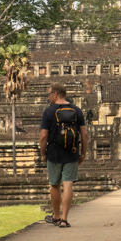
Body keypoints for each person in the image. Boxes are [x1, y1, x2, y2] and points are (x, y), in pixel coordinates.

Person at [39, 82, 86, 228]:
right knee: (68, 184)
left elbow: (43, 136)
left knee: (54, 184)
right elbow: (84, 133)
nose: (48, 98)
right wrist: (83, 153)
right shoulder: (76, 110)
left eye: (49, 95)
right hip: (72, 152)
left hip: (53, 152)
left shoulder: (48, 112)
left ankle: (56, 216)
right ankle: (64, 219)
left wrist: (43, 153)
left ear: (55, 94)